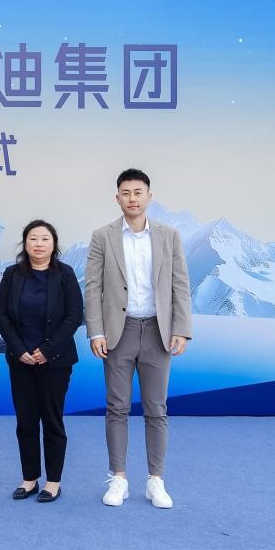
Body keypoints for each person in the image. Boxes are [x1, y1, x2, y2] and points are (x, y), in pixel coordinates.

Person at [84, 169, 192, 509]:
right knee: (116, 407)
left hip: (158, 332)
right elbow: (93, 287)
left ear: (149, 196)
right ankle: (119, 478)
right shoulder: (102, 237)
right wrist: (96, 331)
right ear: (117, 198)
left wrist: (181, 328)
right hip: (119, 332)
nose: (132, 198)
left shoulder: (168, 236)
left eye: (138, 192)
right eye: (126, 193)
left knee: (156, 409)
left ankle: (155, 481)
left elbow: (180, 284)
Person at [0, 220, 82, 503]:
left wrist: (47, 350)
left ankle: (53, 482)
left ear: (54, 244)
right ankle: (29, 479)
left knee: (52, 422)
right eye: (33, 238)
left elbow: (74, 315)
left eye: (45, 238)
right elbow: (1, 315)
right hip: (20, 361)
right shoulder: (12, 274)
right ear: (25, 243)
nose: (39, 244)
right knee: (26, 422)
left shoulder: (65, 274)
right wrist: (18, 349)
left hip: (55, 362)